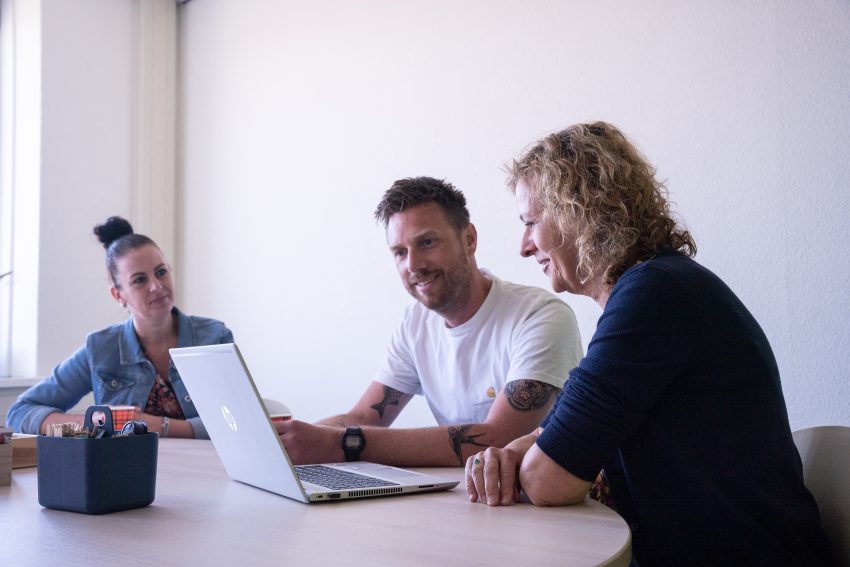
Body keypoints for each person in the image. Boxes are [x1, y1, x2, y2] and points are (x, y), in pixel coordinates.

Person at [465, 122, 831, 566]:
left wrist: (532, 460)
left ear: (578, 211)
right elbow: (553, 435)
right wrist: (515, 455)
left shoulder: (653, 296)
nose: (524, 247)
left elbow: (548, 479)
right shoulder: (658, 287)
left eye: (530, 223)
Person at [275, 177, 582, 467]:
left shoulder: (540, 316)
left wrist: (344, 443)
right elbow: (364, 417)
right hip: (464, 496)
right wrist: (284, 441)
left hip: (539, 500)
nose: (413, 265)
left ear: (469, 239)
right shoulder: (416, 323)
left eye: (427, 243)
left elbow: (499, 438)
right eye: (400, 252)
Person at [7, 216, 234, 439]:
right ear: (118, 295)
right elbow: (20, 412)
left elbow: (236, 420)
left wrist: (160, 426)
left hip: (207, 463)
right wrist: (95, 423)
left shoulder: (215, 337)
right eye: (139, 280)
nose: (156, 286)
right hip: (126, 464)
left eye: (161, 272)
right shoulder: (101, 348)